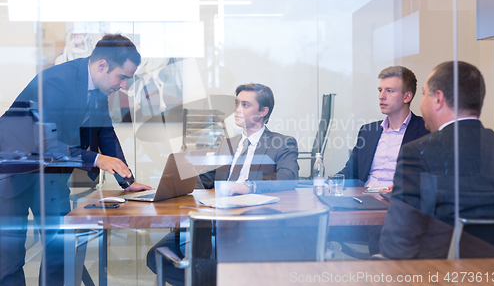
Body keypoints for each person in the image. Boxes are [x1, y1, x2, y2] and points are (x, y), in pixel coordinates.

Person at [0, 34, 151, 286]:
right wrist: (96, 159)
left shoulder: (99, 87)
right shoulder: (56, 83)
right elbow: (43, 144)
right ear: (102, 65)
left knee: (60, 248)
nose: (124, 86)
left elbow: (105, 131)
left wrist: (126, 180)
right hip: (13, 171)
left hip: (50, 175)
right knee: (10, 256)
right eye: (122, 77)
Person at [146, 83, 299, 285]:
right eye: (237, 103)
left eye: (245, 105)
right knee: (155, 256)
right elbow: (207, 179)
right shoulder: (229, 144)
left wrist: (250, 186)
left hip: (250, 228)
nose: (237, 110)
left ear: (263, 111)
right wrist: (175, 185)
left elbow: (288, 178)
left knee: (215, 262)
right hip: (210, 222)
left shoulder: (282, 143)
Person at [380, 61, 494, 259]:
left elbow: (397, 245)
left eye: (425, 93)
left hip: (437, 275)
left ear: (438, 99)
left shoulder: (418, 153)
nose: (421, 102)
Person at [338, 66, 429, 188]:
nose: (381, 96)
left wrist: (404, 189)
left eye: (389, 91)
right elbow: (350, 173)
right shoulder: (367, 131)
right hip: (365, 199)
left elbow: (432, 179)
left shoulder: (426, 130)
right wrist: (322, 183)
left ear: (407, 97)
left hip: (399, 202)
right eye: (380, 90)